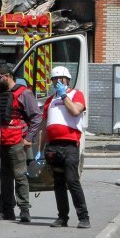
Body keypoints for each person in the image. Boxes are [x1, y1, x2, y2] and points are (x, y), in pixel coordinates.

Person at [40, 66, 90, 229]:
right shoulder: (49, 101)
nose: (58, 81)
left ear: (68, 80)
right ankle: (62, 217)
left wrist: (64, 95)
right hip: (53, 147)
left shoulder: (76, 94)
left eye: (61, 79)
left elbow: (75, 111)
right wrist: (41, 150)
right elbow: (43, 126)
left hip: (69, 146)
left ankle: (83, 217)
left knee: (72, 180)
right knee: (58, 183)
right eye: (55, 79)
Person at [0, 63, 42, 223]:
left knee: (20, 175)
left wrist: (29, 138)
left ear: (6, 76)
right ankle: (7, 210)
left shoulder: (24, 93)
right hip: (1, 140)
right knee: (5, 177)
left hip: (17, 140)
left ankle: (24, 210)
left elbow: (36, 116)